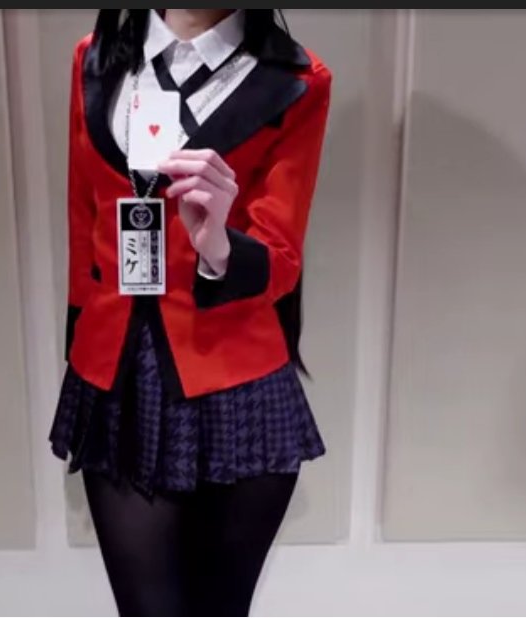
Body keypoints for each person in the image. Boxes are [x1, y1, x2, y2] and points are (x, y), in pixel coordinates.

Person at [49, 9, 332, 616]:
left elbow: (283, 257)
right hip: (117, 380)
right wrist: (80, 342)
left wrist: (221, 247)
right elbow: (83, 217)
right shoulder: (94, 57)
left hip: (237, 386)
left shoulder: (296, 79)